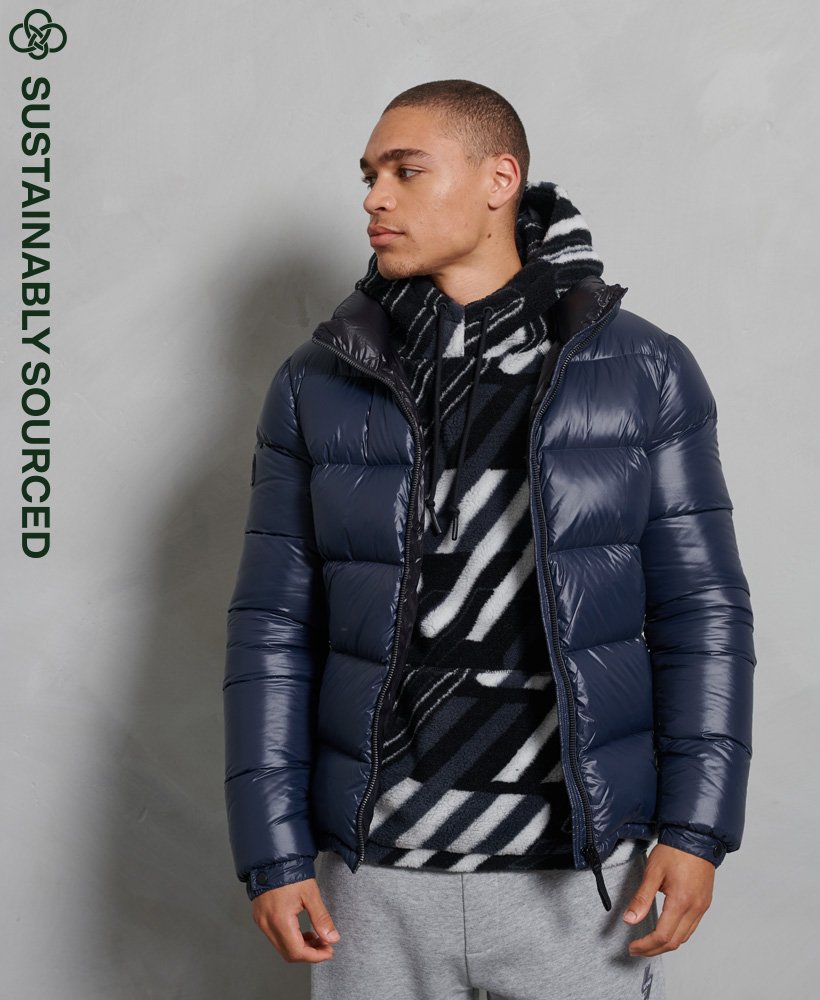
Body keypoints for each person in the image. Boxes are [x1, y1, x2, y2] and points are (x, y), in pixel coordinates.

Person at [222, 79, 755, 999]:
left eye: (405, 171)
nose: (374, 197)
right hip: (372, 878)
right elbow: (273, 626)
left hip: (580, 879)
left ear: (499, 179)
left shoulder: (644, 370)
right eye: (368, 175)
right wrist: (271, 853)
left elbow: (702, 613)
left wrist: (695, 831)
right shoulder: (315, 385)